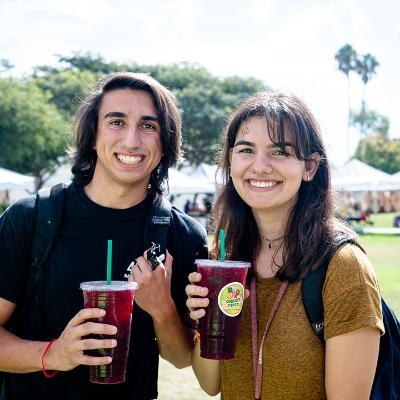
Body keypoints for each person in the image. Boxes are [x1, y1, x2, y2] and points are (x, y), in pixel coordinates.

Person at [0, 72, 208, 400]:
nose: (131, 141)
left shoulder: (182, 235)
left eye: (148, 126)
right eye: (116, 122)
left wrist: (162, 307)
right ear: (93, 135)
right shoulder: (30, 220)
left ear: (165, 143)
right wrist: (53, 354)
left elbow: (181, 358)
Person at [186, 92, 384, 399]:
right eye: (246, 150)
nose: (260, 166)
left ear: (310, 167)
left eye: (279, 151)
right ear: (230, 161)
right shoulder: (224, 259)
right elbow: (211, 384)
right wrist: (205, 322)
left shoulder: (343, 267)